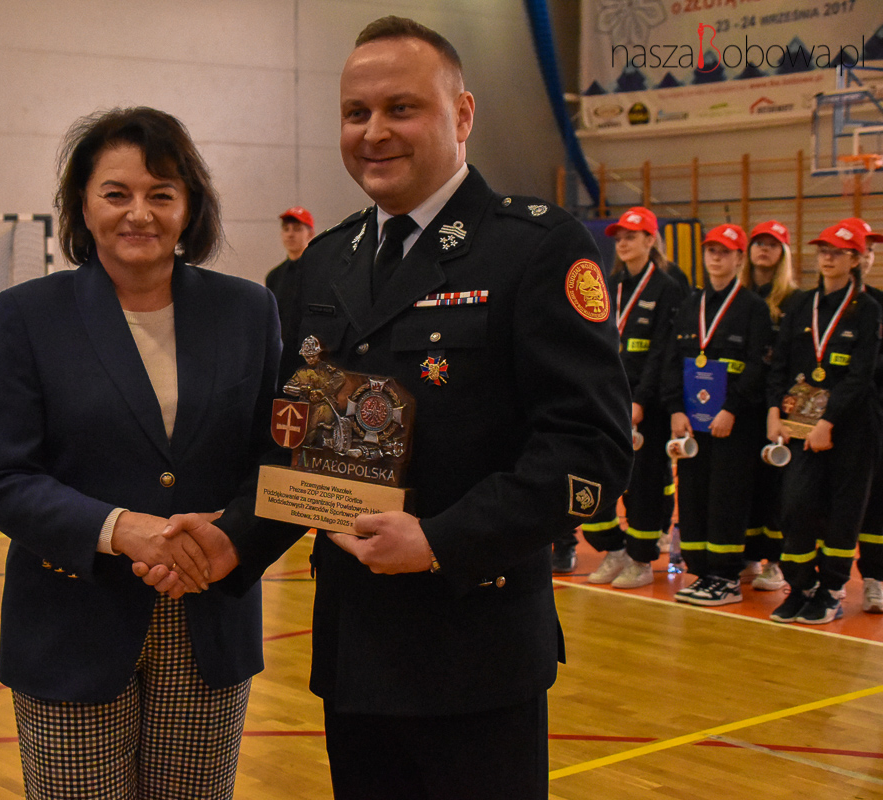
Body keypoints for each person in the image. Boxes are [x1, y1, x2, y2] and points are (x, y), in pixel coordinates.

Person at [136, 16, 632, 798]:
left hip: (475, 654)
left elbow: (590, 454)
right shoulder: (326, 261)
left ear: (461, 115)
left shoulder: (534, 248)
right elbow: (302, 443)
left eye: (402, 108)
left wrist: (439, 540)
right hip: (356, 653)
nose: (374, 132)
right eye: (355, 112)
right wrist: (235, 539)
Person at [0, 106, 282, 799]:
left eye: (161, 194)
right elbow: (1, 476)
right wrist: (120, 529)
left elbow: (278, 459)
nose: (139, 213)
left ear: (189, 207)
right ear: (83, 205)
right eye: (116, 193)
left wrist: (231, 537)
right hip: (73, 623)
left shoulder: (248, 311)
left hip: (208, 616)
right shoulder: (30, 315)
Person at [767, 222, 881, 624]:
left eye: (837, 252)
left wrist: (829, 421)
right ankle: (801, 586)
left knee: (844, 511)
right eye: (823, 251)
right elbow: (780, 363)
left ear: (856, 260)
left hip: (850, 429)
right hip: (800, 428)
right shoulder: (801, 304)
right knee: (796, 504)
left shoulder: (868, 309)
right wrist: (773, 410)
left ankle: (831, 590)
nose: (828, 258)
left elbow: (860, 375)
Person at [662, 223, 773, 605]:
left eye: (725, 251)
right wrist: (675, 409)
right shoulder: (690, 305)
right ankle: (703, 572)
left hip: (733, 425)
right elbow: (672, 360)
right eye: (711, 250)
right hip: (693, 424)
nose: (716, 257)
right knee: (693, 496)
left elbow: (758, 366)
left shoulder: (753, 308)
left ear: (739, 258)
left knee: (727, 498)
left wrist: (731, 409)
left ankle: (726, 578)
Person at [581, 206, 685, 589]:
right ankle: (613, 549)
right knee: (596, 476)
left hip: (647, 406)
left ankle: (640, 559)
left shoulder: (668, 288)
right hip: (608, 401)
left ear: (650, 240)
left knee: (643, 484)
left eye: (631, 236)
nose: (623, 243)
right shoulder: (610, 285)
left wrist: (640, 400)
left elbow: (663, 352)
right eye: (619, 237)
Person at [738, 219, 800, 592]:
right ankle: (748, 555)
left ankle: (775, 562)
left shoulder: (795, 301)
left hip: (776, 406)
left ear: (783, 253)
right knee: (746, 483)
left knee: (777, 486)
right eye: (758, 243)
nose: (764, 250)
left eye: (772, 244)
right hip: (742, 404)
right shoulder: (738, 295)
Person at [840, 216, 883, 613]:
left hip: (874, 418)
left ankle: (875, 578)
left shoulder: (878, 305)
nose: (866, 254)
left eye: (870, 249)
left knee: (876, 503)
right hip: (832, 420)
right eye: (860, 247)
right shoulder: (818, 305)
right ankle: (827, 580)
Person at [266, 206, 316, 378]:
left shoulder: (320, 272)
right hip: (282, 358)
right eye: (286, 229)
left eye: (297, 229)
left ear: (310, 234)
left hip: (311, 360)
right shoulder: (274, 276)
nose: (290, 234)